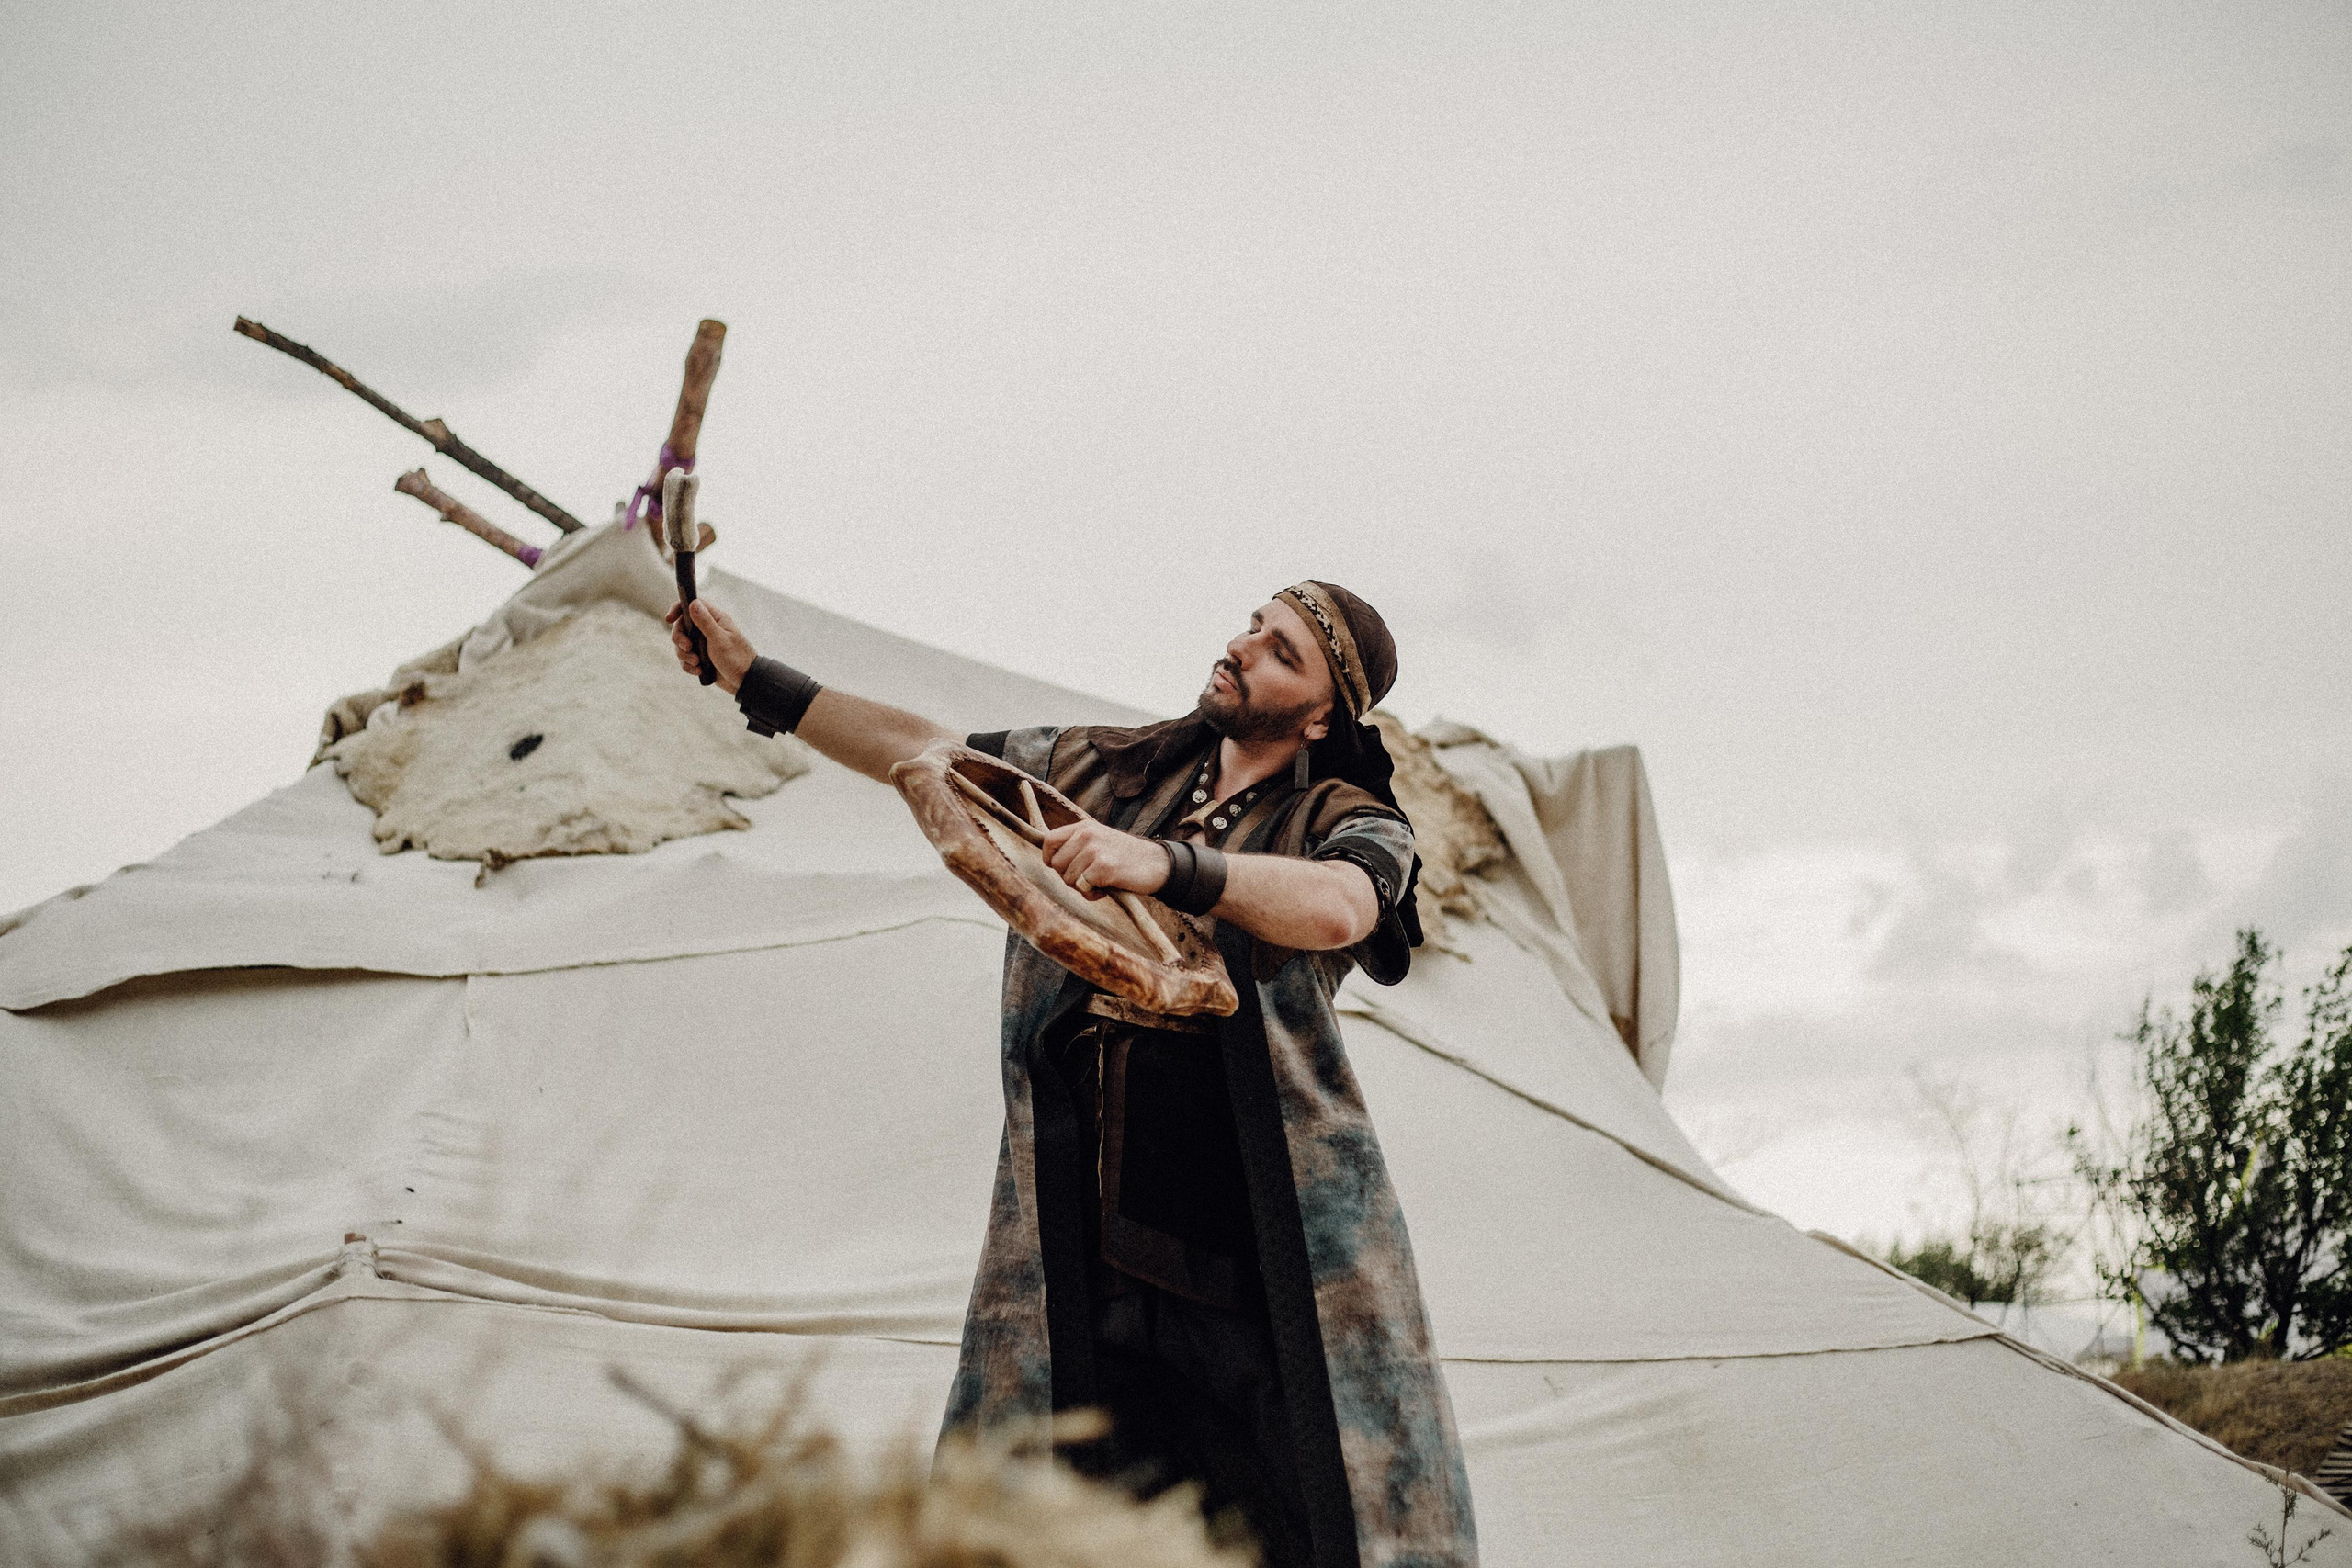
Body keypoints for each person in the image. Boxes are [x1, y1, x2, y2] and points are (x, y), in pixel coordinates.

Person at [667, 583, 1477, 1568]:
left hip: (1255, 1252)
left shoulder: (1350, 818)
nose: (1242, 647)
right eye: (1253, 626)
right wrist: (757, 679)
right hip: (1086, 1234)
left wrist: (1167, 865)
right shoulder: (1112, 767)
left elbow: (1340, 906)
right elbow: (926, 752)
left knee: (1295, 1524)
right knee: (1059, 1518)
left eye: (1282, 653)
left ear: (1320, 716)